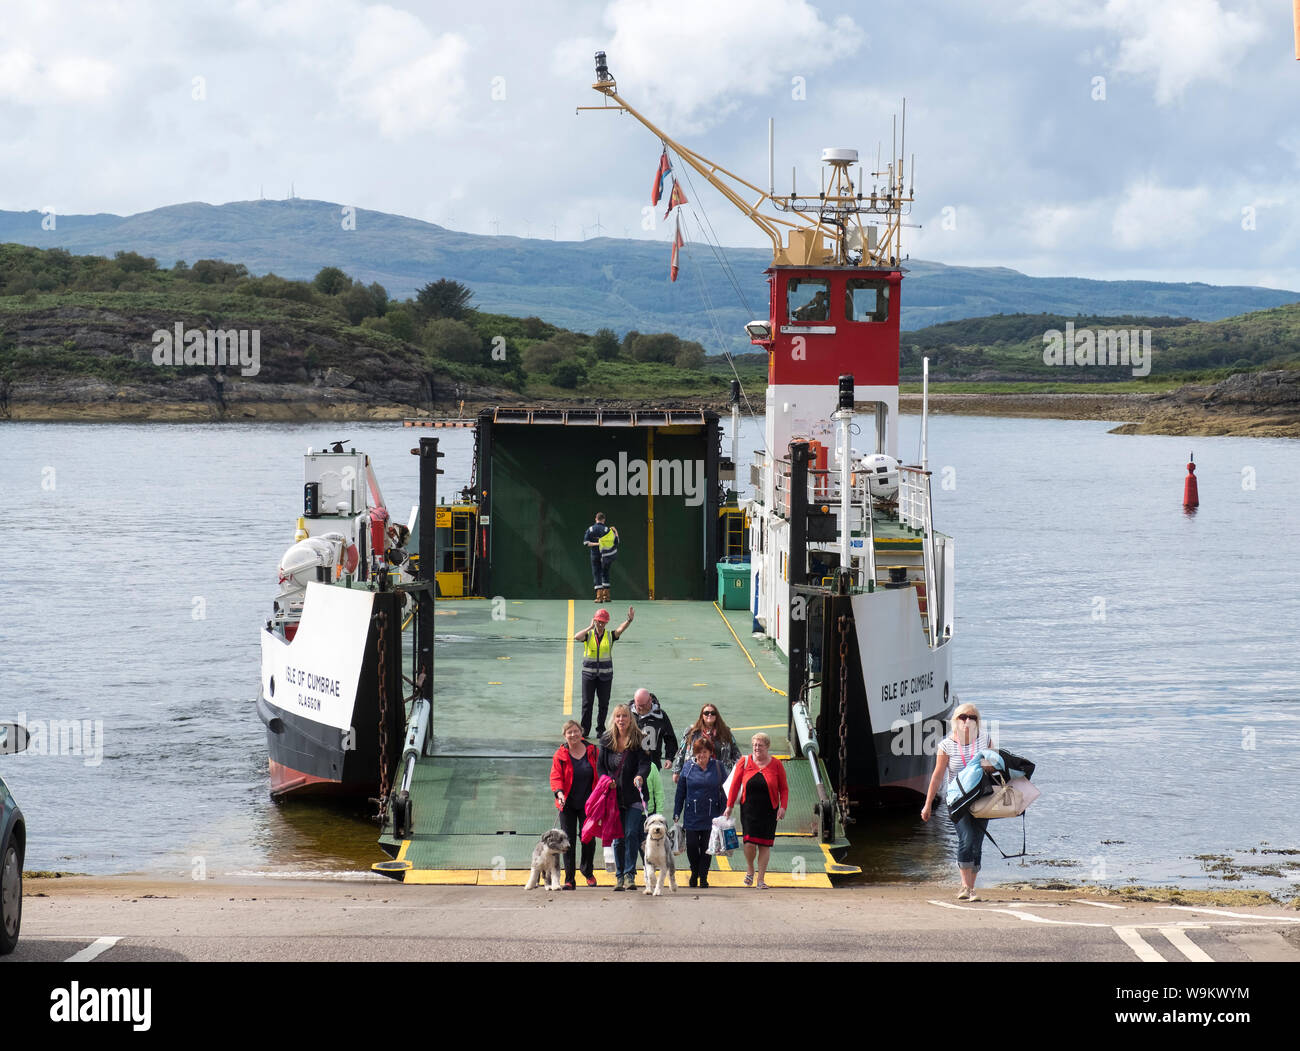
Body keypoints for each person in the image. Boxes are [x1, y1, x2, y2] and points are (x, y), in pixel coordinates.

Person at [921, 701, 998, 901]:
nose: (967, 720)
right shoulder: (946, 745)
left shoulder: (986, 739)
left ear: (977, 721)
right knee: (966, 839)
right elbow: (937, 776)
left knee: (977, 844)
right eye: (963, 717)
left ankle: (970, 889)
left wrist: (990, 765)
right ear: (955, 721)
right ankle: (966, 887)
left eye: (972, 717)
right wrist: (928, 803)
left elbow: (996, 768)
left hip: (982, 799)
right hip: (957, 800)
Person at [597, 704, 652, 891]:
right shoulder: (606, 740)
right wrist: (607, 781)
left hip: (635, 795)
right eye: (618, 716)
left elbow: (646, 764)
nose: (621, 720)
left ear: (630, 719)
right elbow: (601, 768)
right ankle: (619, 876)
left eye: (625, 716)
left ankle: (630, 875)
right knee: (617, 837)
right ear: (614, 718)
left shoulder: (640, 738)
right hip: (613, 796)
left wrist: (640, 776)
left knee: (630, 833)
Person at [725, 732, 787, 889]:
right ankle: (750, 868)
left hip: (769, 810)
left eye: (760, 745)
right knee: (749, 843)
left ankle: (761, 879)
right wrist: (729, 806)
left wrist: (783, 807)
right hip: (749, 810)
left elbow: (784, 789)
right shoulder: (744, 762)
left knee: (764, 845)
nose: (757, 748)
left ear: (767, 747)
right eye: (754, 745)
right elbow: (734, 786)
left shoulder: (776, 764)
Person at [550, 719, 599, 889]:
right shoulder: (560, 754)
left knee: (588, 839)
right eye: (569, 732)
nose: (573, 735)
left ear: (581, 732)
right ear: (565, 736)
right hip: (567, 803)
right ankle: (569, 878)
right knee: (567, 841)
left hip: (589, 803)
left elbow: (600, 773)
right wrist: (560, 793)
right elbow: (556, 777)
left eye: (576, 731)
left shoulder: (593, 751)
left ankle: (588, 871)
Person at [573, 605, 634, 738]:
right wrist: (589, 627)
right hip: (588, 675)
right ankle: (585, 731)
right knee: (587, 704)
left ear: (606, 622)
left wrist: (629, 620)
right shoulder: (588, 635)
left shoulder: (610, 635)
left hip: (605, 676)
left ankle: (601, 730)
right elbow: (576, 637)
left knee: (603, 704)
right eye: (598, 621)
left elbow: (620, 630)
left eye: (603, 622)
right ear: (595, 621)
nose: (600, 624)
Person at [673, 736, 726, 888]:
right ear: (694, 753)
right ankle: (694, 871)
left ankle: (703, 876)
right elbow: (680, 792)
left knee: (707, 848)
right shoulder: (688, 767)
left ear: (710, 752)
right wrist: (677, 812)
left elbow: (725, 790)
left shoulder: (718, 766)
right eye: (699, 752)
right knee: (692, 844)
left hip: (712, 814)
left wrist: (724, 811)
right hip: (692, 814)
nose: (702, 755)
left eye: (705, 752)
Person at [672, 703, 740, 782]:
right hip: (695, 773)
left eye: (713, 713)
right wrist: (677, 771)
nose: (709, 715)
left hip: (720, 774)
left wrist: (740, 771)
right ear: (702, 715)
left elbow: (736, 753)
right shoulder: (692, 732)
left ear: (716, 716)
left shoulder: (725, 732)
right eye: (706, 713)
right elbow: (681, 752)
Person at [631, 688, 678, 772]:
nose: (640, 708)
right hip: (631, 763)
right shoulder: (627, 714)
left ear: (650, 700)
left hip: (652, 764)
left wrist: (669, 758)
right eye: (638, 705)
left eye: (643, 705)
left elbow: (670, 737)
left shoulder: (660, 715)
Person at [582, 512, 619, 603]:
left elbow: (586, 543)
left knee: (596, 573)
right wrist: (615, 531)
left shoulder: (590, 529)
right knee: (605, 573)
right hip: (606, 555)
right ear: (604, 520)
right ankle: (607, 596)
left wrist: (597, 544)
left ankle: (599, 597)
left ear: (596, 519)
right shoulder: (607, 530)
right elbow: (616, 541)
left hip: (595, 554)